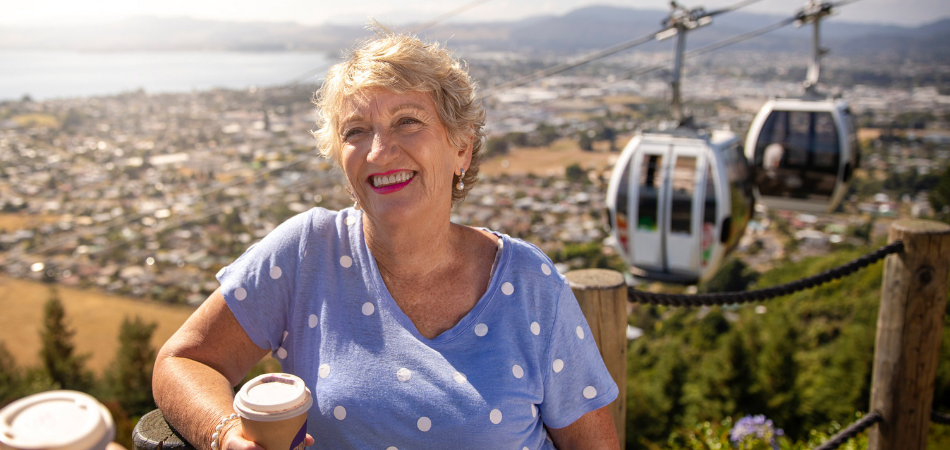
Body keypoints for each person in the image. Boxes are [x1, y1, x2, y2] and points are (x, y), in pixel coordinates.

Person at [153, 30, 620, 450]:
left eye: (408, 121)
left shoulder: (528, 283)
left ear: (462, 146)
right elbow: (183, 360)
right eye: (356, 132)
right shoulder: (307, 253)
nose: (379, 151)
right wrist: (224, 434)